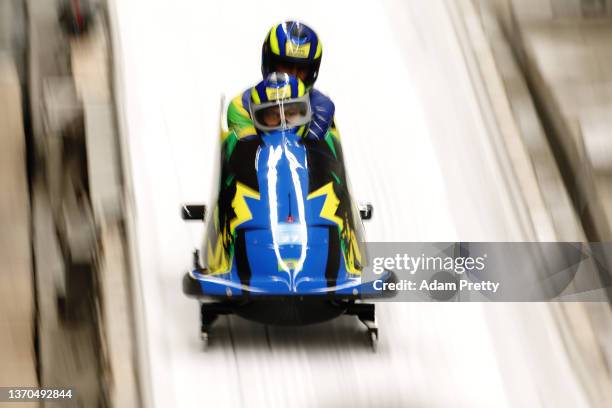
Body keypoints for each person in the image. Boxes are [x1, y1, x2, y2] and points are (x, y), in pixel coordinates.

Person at [227, 21, 337, 141]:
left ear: (312, 71)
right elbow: (246, 153)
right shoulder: (240, 107)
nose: (293, 74)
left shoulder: (323, 107)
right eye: (286, 65)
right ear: (269, 62)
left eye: (302, 68)